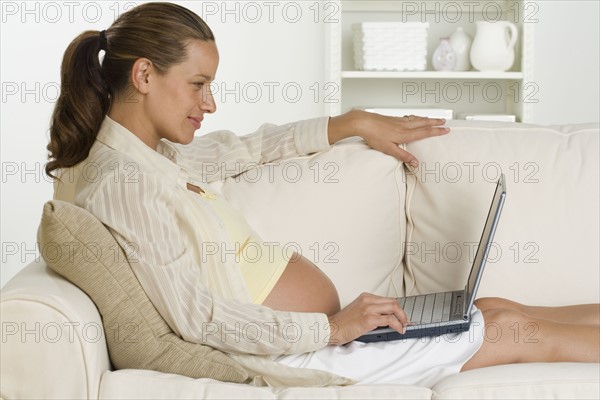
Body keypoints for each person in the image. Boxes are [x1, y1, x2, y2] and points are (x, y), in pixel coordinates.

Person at [45, 2, 599, 387]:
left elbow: (250, 148)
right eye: (197, 84)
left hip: (315, 338)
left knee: (490, 308)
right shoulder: (122, 185)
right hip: (298, 353)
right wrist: (334, 327)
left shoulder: (158, 159)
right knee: (504, 330)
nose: (209, 103)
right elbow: (201, 319)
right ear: (144, 75)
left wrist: (350, 121)